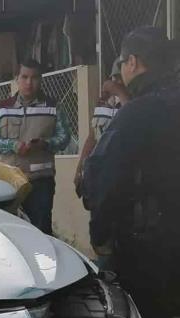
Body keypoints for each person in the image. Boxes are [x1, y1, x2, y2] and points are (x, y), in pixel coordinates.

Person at [82, 26, 180, 318]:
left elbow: (104, 179)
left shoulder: (139, 113)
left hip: (151, 244)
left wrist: (100, 232)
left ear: (134, 62)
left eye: (122, 62)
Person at [0, 59, 71, 234]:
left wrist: (45, 144)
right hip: (10, 181)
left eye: (34, 78)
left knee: (41, 232)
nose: (29, 83)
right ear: (17, 78)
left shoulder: (52, 107)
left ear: (41, 80)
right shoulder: (3, 108)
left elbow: (65, 138)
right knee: (10, 232)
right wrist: (12, 145)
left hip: (40, 181)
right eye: (24, 77)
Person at [74, 59, 131, 269]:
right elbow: (92, 136)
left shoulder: (132, 102)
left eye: (119, 78)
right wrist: (80, 167)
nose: (115, 81)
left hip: (119, 181)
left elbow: (132, 113)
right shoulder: (103, 103)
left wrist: (118, 92)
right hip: (98, 179)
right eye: (112, 77)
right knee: (100, 231)